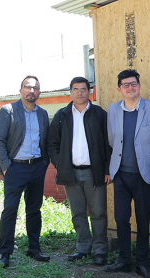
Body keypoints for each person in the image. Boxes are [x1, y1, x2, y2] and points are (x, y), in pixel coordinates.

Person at [104, 69, 150, 278]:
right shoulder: (113, 110)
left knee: (143, 219)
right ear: (119, 89)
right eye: (126, 85)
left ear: (139, 86)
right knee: (121, 218)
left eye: (133, 84)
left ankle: (142, 263)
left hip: (144, 175)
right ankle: (124, 260)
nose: (130, 88)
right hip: (121, 174)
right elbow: (112, 140)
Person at [47, 77, 111, 266]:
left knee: (99, 213)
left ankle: (100, 250)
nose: (80, 93)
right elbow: (52, 143)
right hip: (70, 173)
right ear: (70, 92)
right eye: (76, 89)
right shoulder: (62, 115)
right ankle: (83, 248)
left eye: (83, 89)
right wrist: (61, 164)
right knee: (78, 213)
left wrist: (107, 169)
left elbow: (110, 144)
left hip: (95, 172)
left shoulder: (100, 114)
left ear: (90, 91)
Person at [0, 75, 51, 268]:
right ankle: (5, 253)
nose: (31, 91)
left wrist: (44, 162)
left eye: (35, 88)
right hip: (15, 168)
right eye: (27, 87)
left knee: (34, 210)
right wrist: (6, 166)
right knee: (10, 210)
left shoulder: (42, 114)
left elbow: (46, 140)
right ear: (21, 90)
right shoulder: (8, 111)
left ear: (39, 92)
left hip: (36, 167)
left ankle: (34, 248)